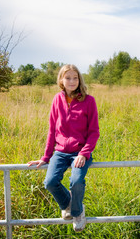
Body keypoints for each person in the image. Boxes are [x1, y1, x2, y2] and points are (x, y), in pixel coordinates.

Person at [28, 64, 100, 232]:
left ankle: (77, 212)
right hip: (60, 152)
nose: (72, 81)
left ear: (79, 79)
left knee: (76, 181)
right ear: (61, 80)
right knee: (50, 182)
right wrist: (46, 157)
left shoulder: (89, 101)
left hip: (79, 153)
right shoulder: (57, 99)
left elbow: (94, 131)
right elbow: (52, 130)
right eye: (68, 78)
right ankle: (68, 204)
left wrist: (84, 153)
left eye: (75, 77)